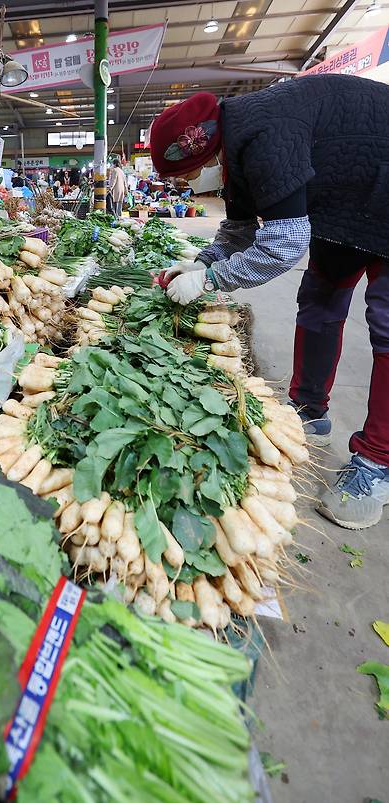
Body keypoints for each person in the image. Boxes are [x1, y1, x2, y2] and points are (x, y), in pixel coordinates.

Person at [149, 77, 389, 530]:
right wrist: (197, 265)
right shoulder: (235, 144)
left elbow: (284, 244)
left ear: (202, 154)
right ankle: (309, 409)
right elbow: (239, 233)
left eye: (185, 177)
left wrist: (212, 281)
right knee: (320, 296)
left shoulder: (261, 137)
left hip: (383, 180)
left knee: (386, 318)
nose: (188, 187)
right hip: (344, 198)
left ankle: (378, 462)